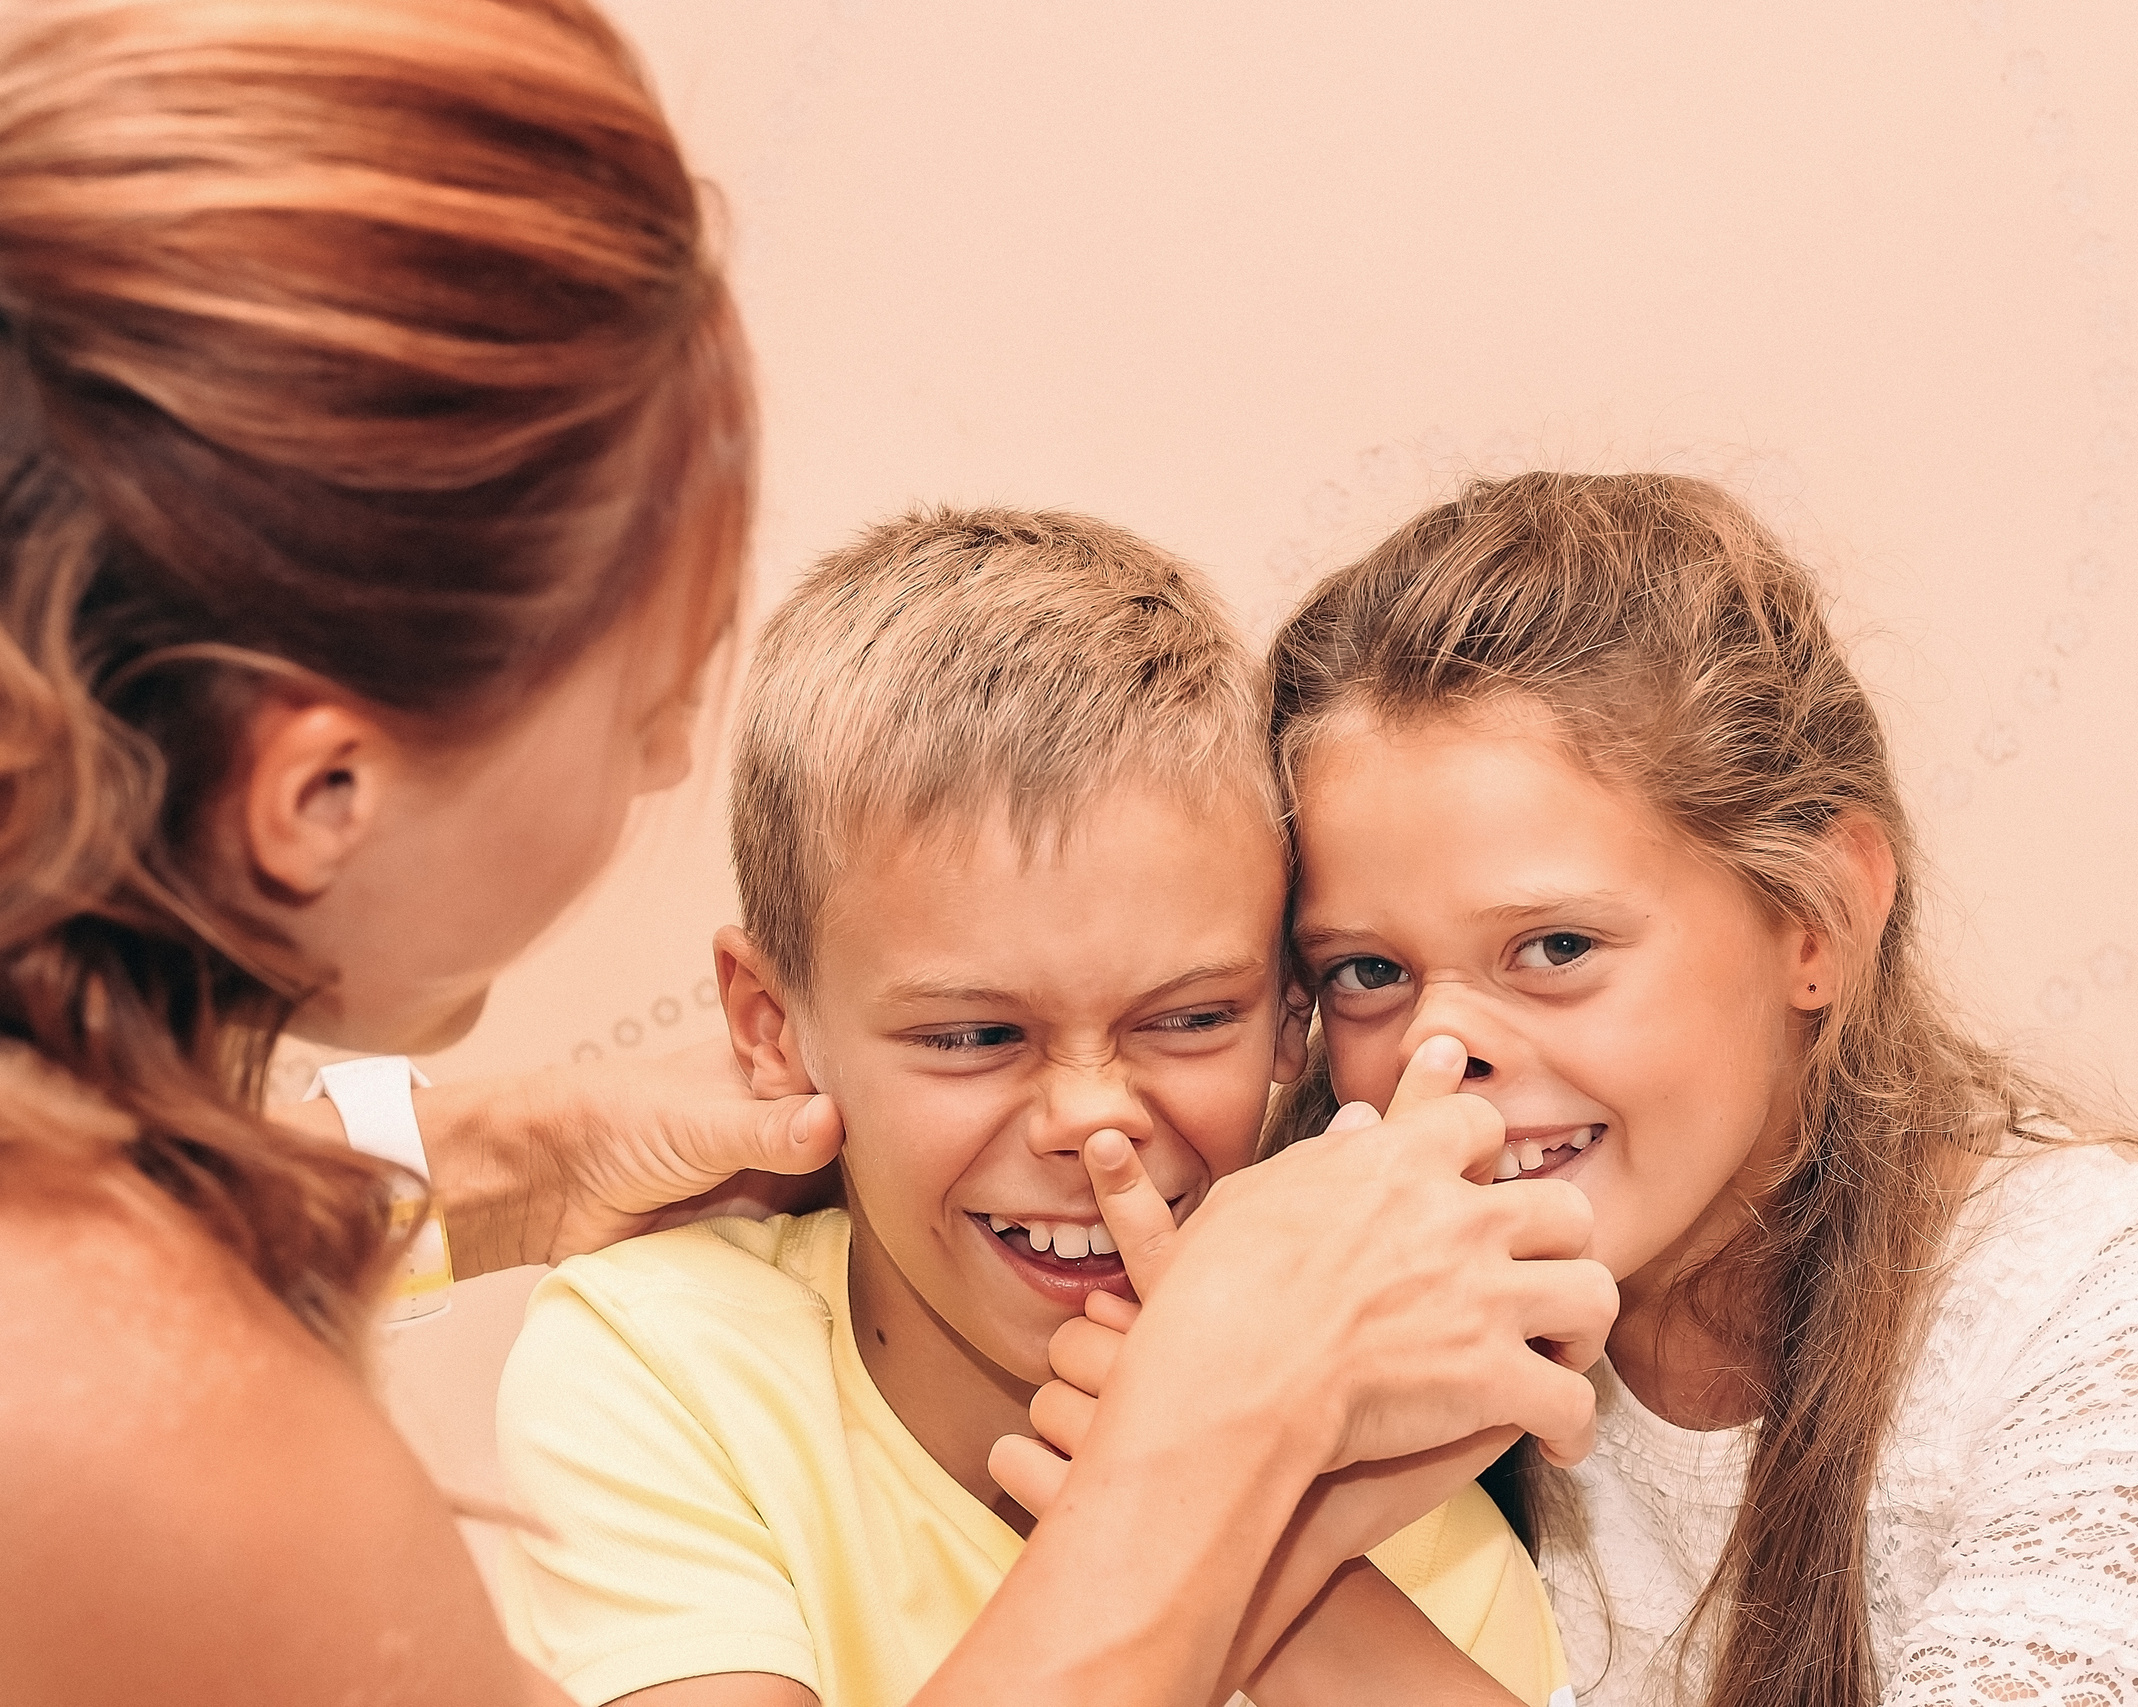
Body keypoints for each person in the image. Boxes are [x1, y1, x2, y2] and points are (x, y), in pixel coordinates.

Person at [0, 7, 1612, 1703]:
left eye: (1188, 1013)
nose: (668, 752)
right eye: (640, 689)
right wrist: (1212, 1441)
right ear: (318, 792)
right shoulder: (150, 1420)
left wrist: (507, 1155)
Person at [1015, 471, 2138, 1707]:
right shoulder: (1319, 1289)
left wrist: (1257, 1543)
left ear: (1817, 918)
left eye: (1556, 947)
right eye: (1369, 968)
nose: (1440, 1048)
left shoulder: (2121, 1317)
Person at [498, 508, 1575, 1707]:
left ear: (1290, 1015)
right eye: (972, 1036)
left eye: (1186, 1018)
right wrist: (1209, 1438)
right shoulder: (667, 1367)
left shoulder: (1419, 1503)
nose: (1092, 1120)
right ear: (769, 1026)